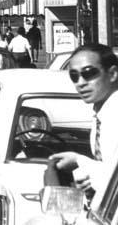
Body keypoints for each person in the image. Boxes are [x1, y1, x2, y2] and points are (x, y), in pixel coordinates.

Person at [50, 44, 118, 197]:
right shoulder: (101, 114)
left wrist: (80, 161)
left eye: (89, 73)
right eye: (74, 76)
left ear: (113, 74)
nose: (80, 82)